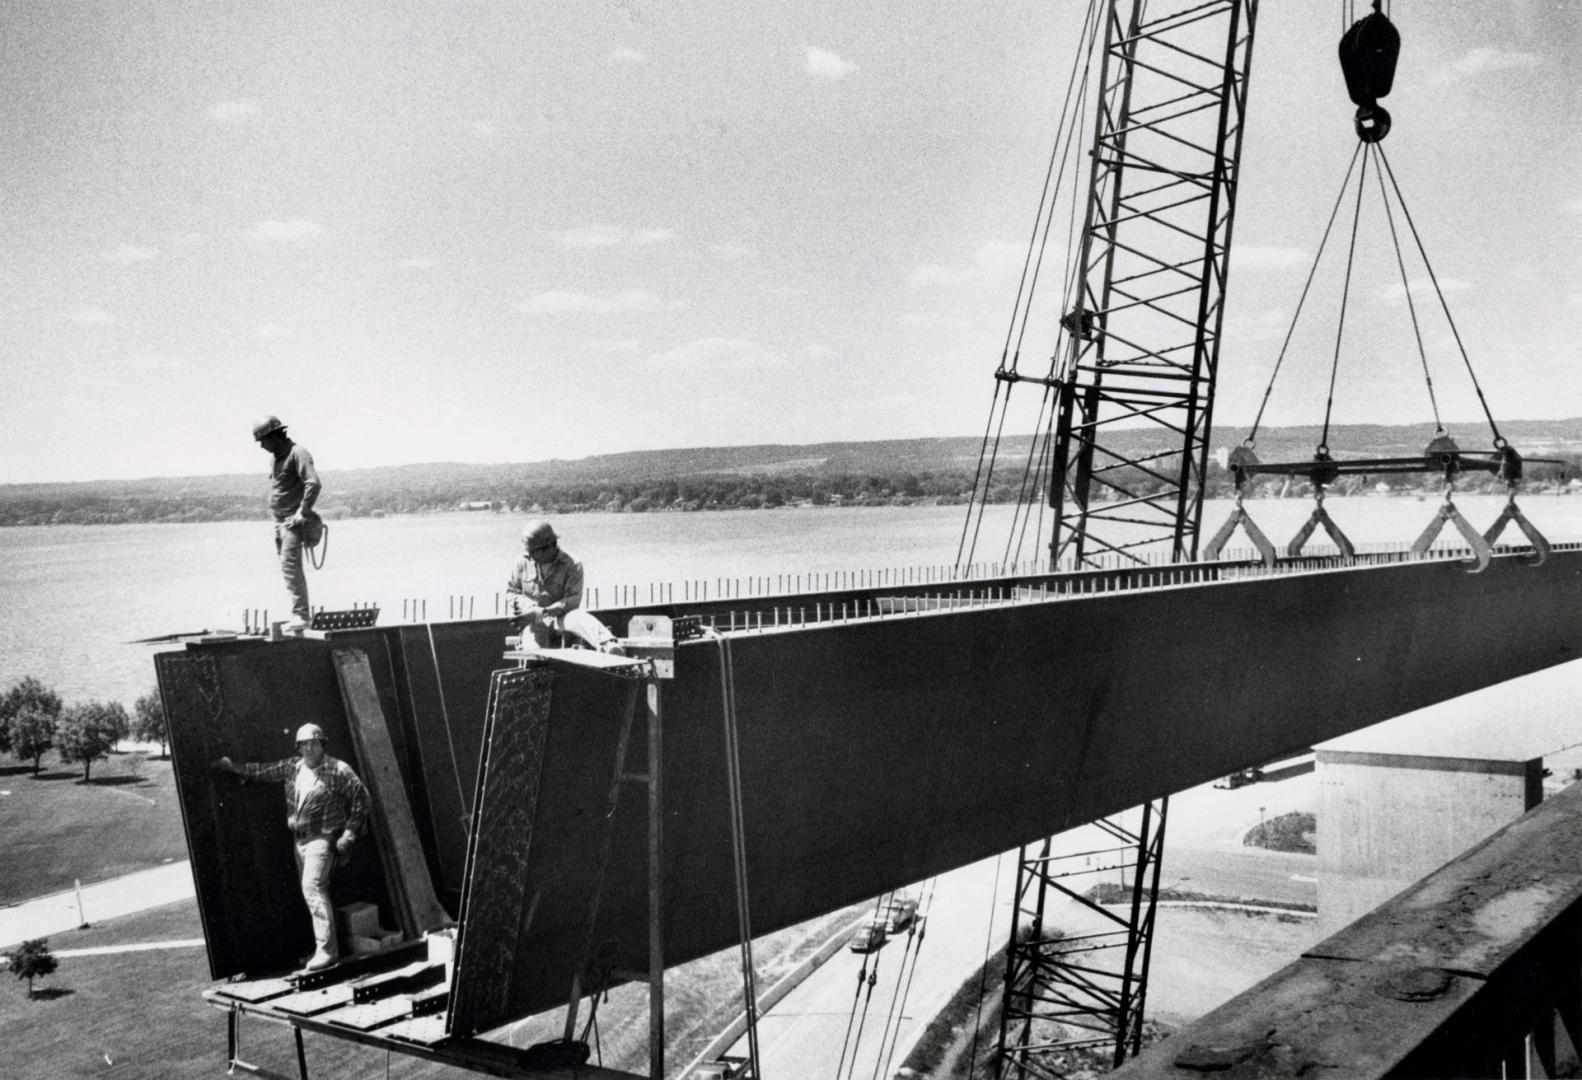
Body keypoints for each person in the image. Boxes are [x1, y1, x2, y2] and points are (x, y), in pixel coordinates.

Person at [212, 723, 369, 971]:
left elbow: (361, 798)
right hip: (300, 841)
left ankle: (328, 952)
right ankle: (323, 948)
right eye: (304, 744)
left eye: (314, 743)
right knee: (314, 893)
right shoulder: (292, 768)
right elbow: (263, 771)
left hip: (323, 838)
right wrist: (234, 768)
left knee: (312, 888)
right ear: (298, 747)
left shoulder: (338, 769)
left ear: (322, 745)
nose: (309, 748)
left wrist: (348, 835)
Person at [506, 521, 622, 652]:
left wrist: (545, 611)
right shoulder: (522, 563)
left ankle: (608, 645)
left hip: (562, 619)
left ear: (549, 546)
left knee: (579, 617)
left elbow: (573, 600)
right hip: (534, 623)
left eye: (533, 552)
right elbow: (512, 592)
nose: (530, 556)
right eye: (529, 551)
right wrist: (531, 609)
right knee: (534, 652)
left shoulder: (572, 564)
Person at [253, 415, 321, 630]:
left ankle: (301, 616)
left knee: (290, 567)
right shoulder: (276, 458)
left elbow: (313, 483)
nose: (262, 446)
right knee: (287, 568)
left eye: (263, 440)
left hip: (293, 522)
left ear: (275, 436)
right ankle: (298, 614)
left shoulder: (298, 453)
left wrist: (302, 512)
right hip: (280, 523)